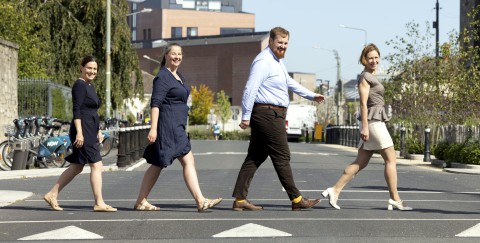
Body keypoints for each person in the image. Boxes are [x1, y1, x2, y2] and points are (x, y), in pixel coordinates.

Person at [232, 27, 325, 211]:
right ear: (270, 42)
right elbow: (250, 89)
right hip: (267, 114)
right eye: (279, 43)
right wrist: (245, 115)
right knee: (282, 155)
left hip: (273, 113)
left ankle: (240, 199)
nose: (282, 46)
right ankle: (297, 199)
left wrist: (311, 96)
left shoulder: (277, 62)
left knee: (255, 156)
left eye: (285, 43)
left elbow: (290, 83)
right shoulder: (263, 61)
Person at [321, 43, 413, 211]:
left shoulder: (371, 75)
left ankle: (334, 190)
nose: (374, 60)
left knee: (360, 162)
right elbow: (363, 104)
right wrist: (364, 127)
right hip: (372, 123)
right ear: (364, 59)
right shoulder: (365, 77)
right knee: (391, 159)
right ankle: (395, 199)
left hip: (374, 121)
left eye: (376, 57)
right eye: (370, 58)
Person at [135, 43, 222, 212]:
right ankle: (200, 200)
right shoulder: (163, 77)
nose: (177, 57)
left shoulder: (178, 76)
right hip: (168, 126)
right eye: (173, 54)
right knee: (179, 161)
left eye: (179, 54)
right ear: (166, 56)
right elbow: (155, 103)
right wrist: (153, 128)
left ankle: (141, 201)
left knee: (161, 163)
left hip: (177, 125)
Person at [43, 55, 117, 212]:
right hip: (83, 129)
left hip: (90, 128)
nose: (92, 71)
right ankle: (99, 202)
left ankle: (52, 194)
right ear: (81, 68)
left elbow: (92, 111)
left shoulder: (89, 86)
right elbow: (77, 110)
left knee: (77, 166)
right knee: (97, 165)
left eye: (95, 69)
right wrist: (79, 133)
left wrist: (98, 130)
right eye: (89, 68)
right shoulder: (79, 85)